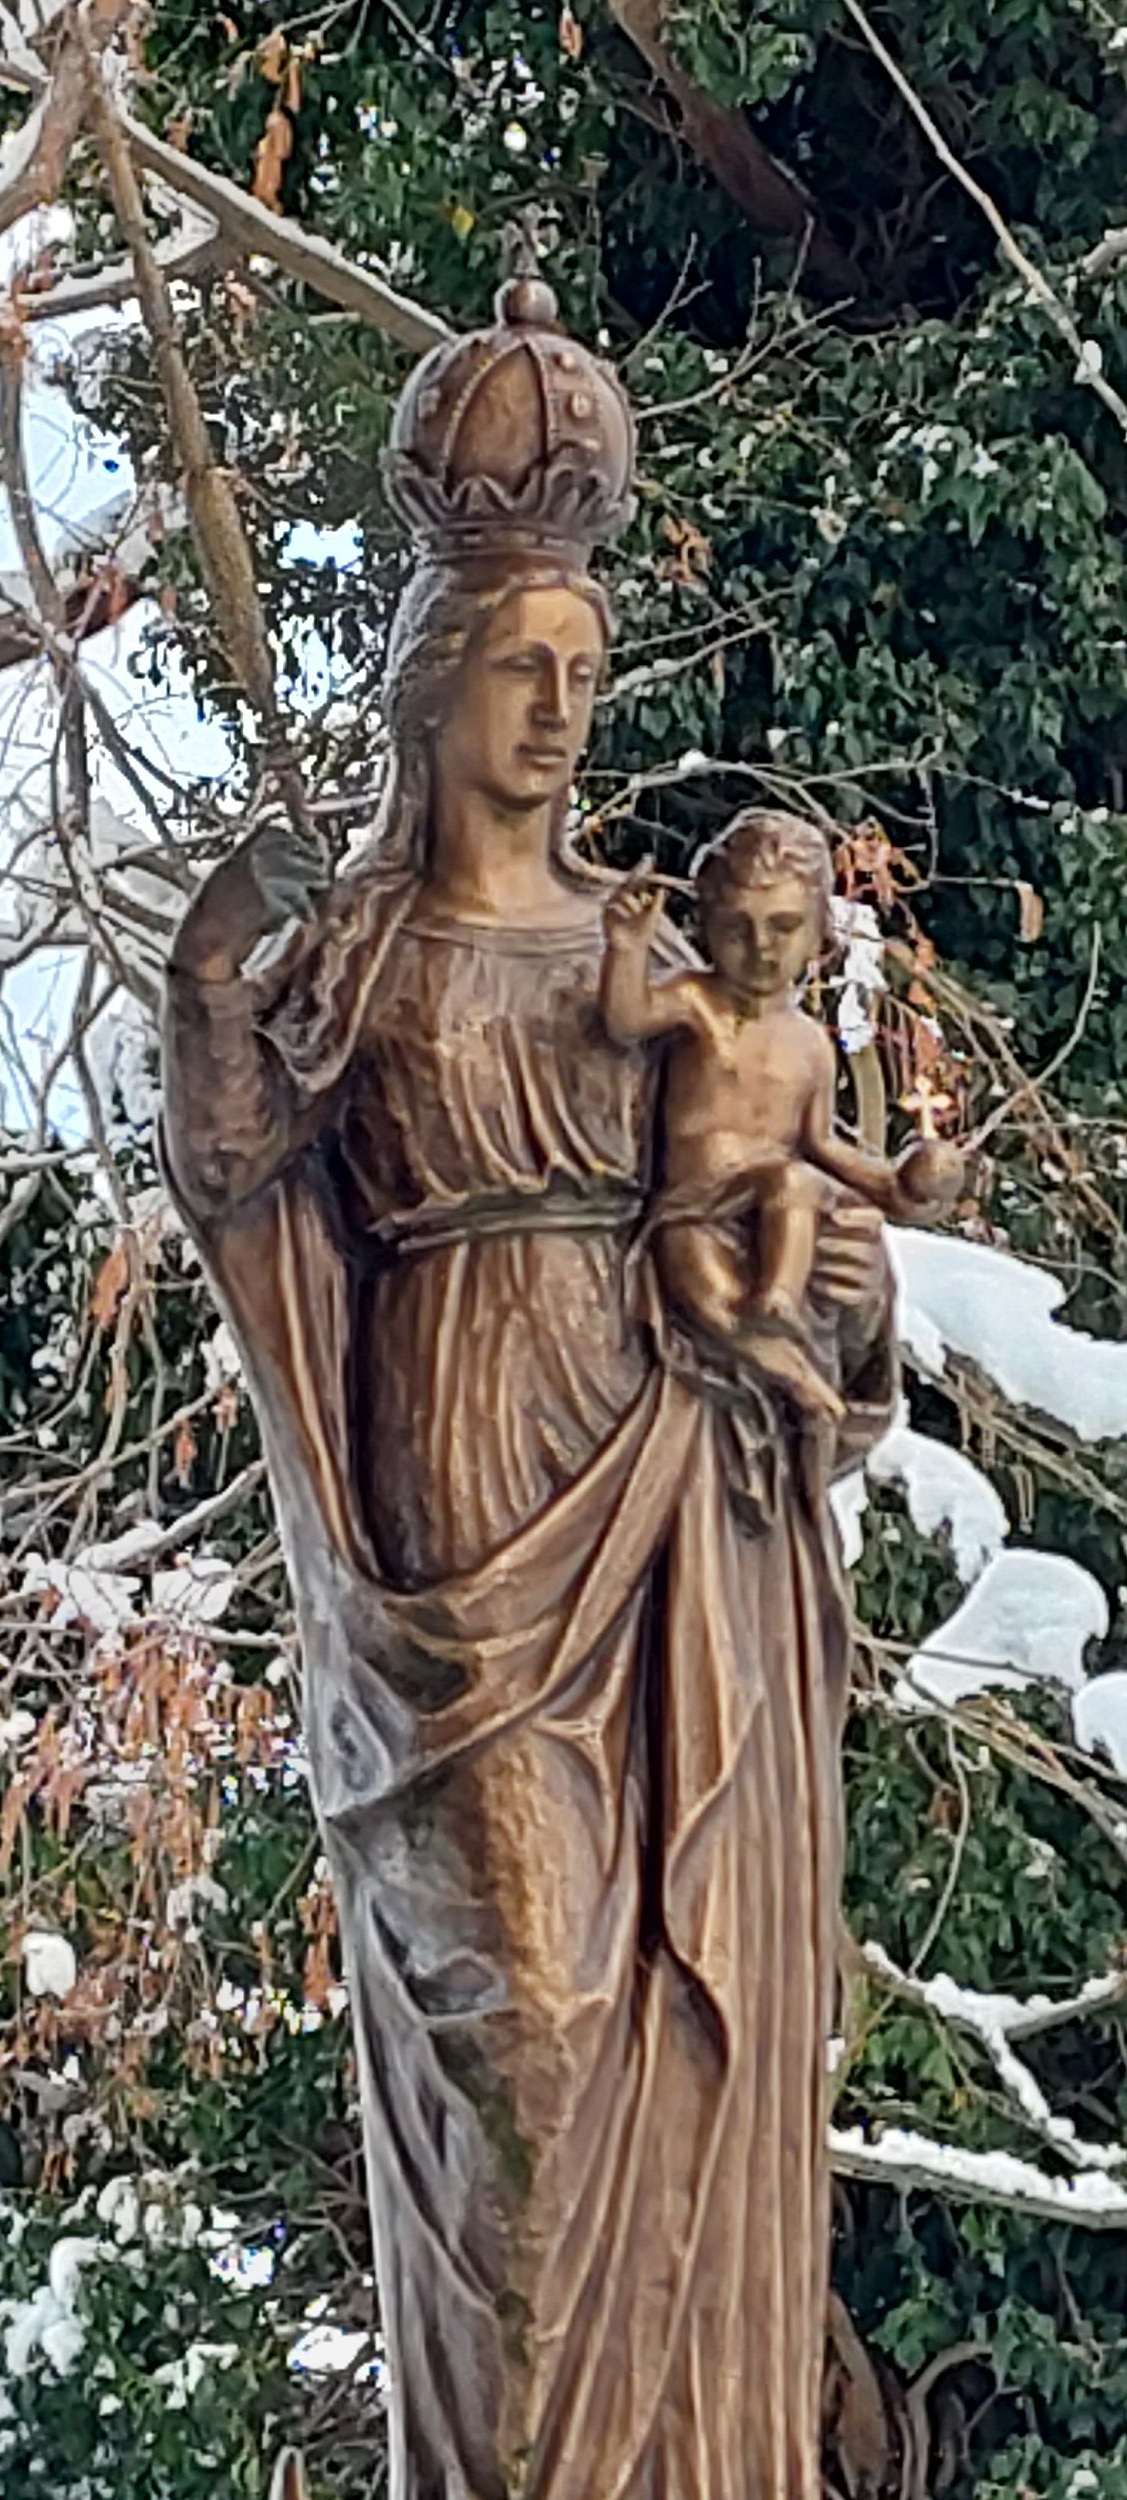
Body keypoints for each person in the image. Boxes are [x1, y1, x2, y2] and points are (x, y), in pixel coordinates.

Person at [161, 281, 900, 2500]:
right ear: (434, 681)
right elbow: (239, 1174)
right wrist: (210, 990)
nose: (564, 712)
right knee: (536, 2053)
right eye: (522, 670)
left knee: (679, 2028)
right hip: (452, 1533)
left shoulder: (648, 959)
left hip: (676, 1505)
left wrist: (839, 1293)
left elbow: (767, 1197)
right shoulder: (362, 956)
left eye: (586, 671)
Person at [601, 806, 960, 1420]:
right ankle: (792, 1375)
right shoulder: (696, 1002)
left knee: (796, 1182)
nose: (761, 948)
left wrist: (894, 1189)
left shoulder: (810, 1045)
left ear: (819, 931)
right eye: (737, 928)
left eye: (784, 926)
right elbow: (625, 1019)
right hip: (694, 1207)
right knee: (708, 1302)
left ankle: (779, 1302)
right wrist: (627, 948)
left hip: (774, 1219)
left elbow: (821, 1146)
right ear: (706, 925)